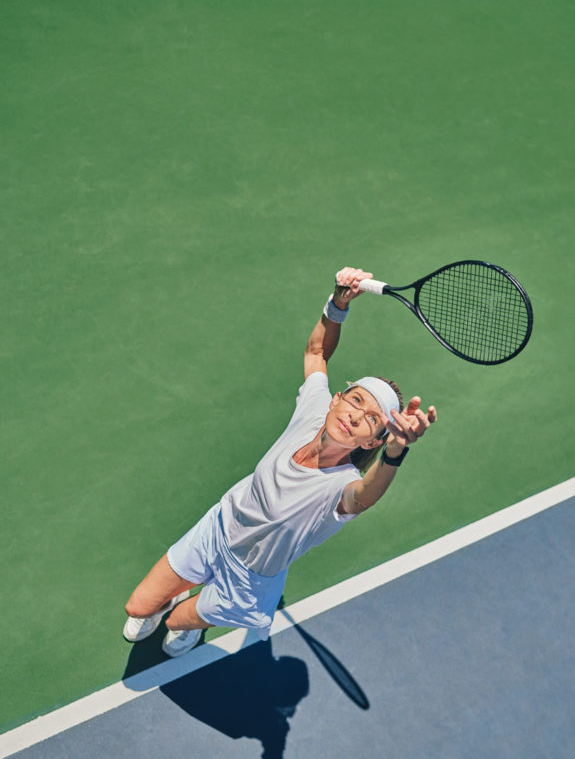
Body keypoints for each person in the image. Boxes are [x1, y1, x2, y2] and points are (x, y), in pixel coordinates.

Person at [123, 267, 437, 657]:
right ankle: (185, 589)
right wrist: (337, 304)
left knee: (174, 623)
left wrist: (397, 450)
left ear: (373, 439)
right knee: (137, 608)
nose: (356, 415)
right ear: (337, 397)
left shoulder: (340, 487)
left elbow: (366, 496)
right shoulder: (314, 408)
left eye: (372, 419)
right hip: (219, 527)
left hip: (248, 581)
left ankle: (192, 622)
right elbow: (317, 352)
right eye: (356, 400)